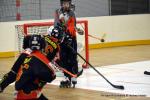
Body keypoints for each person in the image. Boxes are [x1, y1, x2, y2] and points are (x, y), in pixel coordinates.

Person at [0, 26, 63, 96]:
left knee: (13, 73)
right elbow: (54, 61)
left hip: (25, 54)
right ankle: (28, 92)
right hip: (36, 60)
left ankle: (1, 86)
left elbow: (26, 39)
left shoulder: (42, 36)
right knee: (40, 77)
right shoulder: (57, 47)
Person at [54, 0, 83, 88]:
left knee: (72, 58)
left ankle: (74, 75)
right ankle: (66, 77)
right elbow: (56, 24)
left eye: (67, 3)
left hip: (71, 39)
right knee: (63, 59)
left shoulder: (71, 13)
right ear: (61, 4)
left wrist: (70, 36)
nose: (66, 5)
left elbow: (71, 26)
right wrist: (60, 32)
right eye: (64, 3)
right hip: (62, 40)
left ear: (69, 4)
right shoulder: (58, 12)